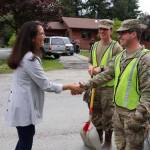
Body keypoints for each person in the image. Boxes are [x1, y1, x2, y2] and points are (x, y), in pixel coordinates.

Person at [6, 21, 82, 150]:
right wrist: (69, 86)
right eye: (41, 33)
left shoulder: (23, 56)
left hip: (21, 105)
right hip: (24, 107)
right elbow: (46, 85)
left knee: (25, 137)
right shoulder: (30, 59)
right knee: (26, 140)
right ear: (32, 38)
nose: (44, 36)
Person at [80, 19, 150, 150]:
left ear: (133, 34)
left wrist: (138, 117)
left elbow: (148, 93)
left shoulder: (145, 59)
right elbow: (106, 75)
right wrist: (85, 85)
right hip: (118, 115)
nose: (119, 36)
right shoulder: (120, 57)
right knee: (120, 147)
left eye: (123, 33)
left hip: (134, 118)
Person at [87, 19, 122, 149]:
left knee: (108, 115)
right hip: (95, 86)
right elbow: (90, 61)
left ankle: (107, 142)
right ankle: (99, 137)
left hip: (108, 87)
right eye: (100, 29)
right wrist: (90, 67)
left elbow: (115, 67)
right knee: (95, 113)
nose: (102, 31)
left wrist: (99, 69)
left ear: (110, 31)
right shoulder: (95, 45)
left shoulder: (116, 47)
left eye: (105, 29)